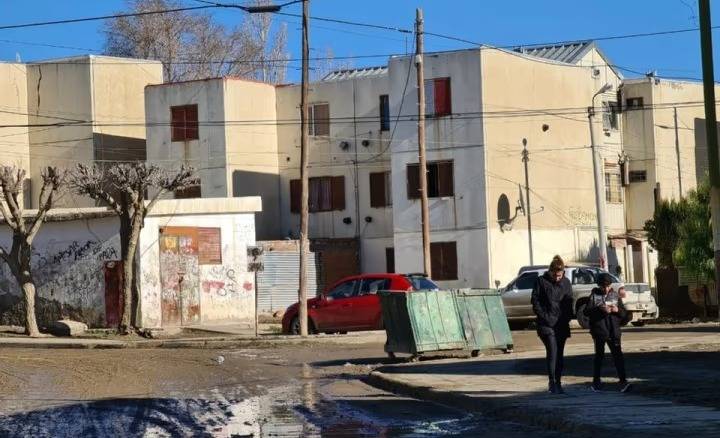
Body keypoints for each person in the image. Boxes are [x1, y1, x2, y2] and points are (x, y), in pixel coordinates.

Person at [531, 255, 574, 394]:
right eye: (555, 275)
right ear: (550, 271)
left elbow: (569, 301)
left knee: (560, 354)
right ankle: (552, 382)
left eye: (559, 275)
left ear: (563, 273)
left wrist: (566, 317)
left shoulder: (566, 283)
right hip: (546, 324)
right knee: (552, 351)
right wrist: (545, 317)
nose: (557, 278)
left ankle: (558, 382)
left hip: (561, 323)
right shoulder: (541, 281)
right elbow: (535, 302)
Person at [584, 272, 631, 393]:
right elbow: (586, 312)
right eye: (603, 287)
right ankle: (596, 382)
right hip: (599, 331)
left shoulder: (615, 296)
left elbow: (624, 315)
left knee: (618, 357)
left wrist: (617, 310)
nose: (605, 289)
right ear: (599, 286)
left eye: (608, 286)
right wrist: (599, 309)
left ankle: (623, 381)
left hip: (613, 331)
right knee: (599, 357)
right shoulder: (594, 296)